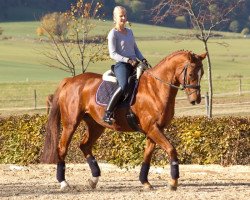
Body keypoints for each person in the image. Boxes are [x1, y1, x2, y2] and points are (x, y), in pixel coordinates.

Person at [103, 6, 148, 125]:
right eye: (121, 16)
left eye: (124, 15)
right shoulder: (113, 34)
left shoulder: (130, 31)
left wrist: (142, 58)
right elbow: (112, 54)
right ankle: (108, 112)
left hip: (135, 63)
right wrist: (127, 60)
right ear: (115, 18)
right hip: (122, 65)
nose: (123, 18)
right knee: (123, 85)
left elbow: (135, 48)